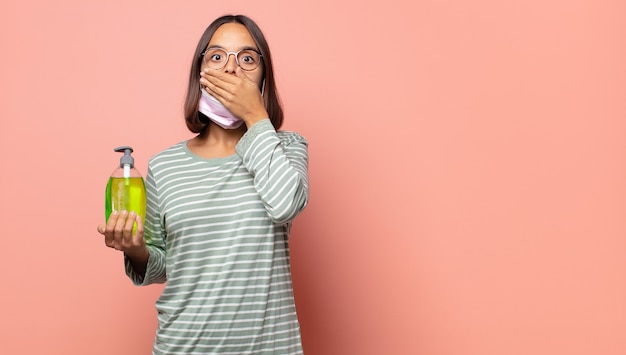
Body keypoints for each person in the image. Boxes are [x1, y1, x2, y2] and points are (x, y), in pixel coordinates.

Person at [97, 14, 309, 354]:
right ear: (201, 74)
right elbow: (163, 265)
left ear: (263, 78)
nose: (232, 68)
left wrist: (256, 116)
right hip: (183, 345)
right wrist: (135, 249)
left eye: (248, 58)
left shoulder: (287, 148)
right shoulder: (165, 166)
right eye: (217, 56)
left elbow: (284, 205)